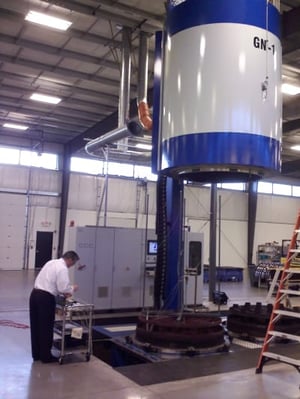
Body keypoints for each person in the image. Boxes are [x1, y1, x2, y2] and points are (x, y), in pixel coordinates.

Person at [29, 251, 79, 363]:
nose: (72, 266)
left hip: (34, 295)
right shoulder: (63, 268)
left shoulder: (51, 262)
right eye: (73, 263)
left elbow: (51, 281)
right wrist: (72, 289)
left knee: (36, 326)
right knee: (46, 327)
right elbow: (63, 288)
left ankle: (36, 354)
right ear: (70, 260)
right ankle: (46, 356)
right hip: (45, 298)